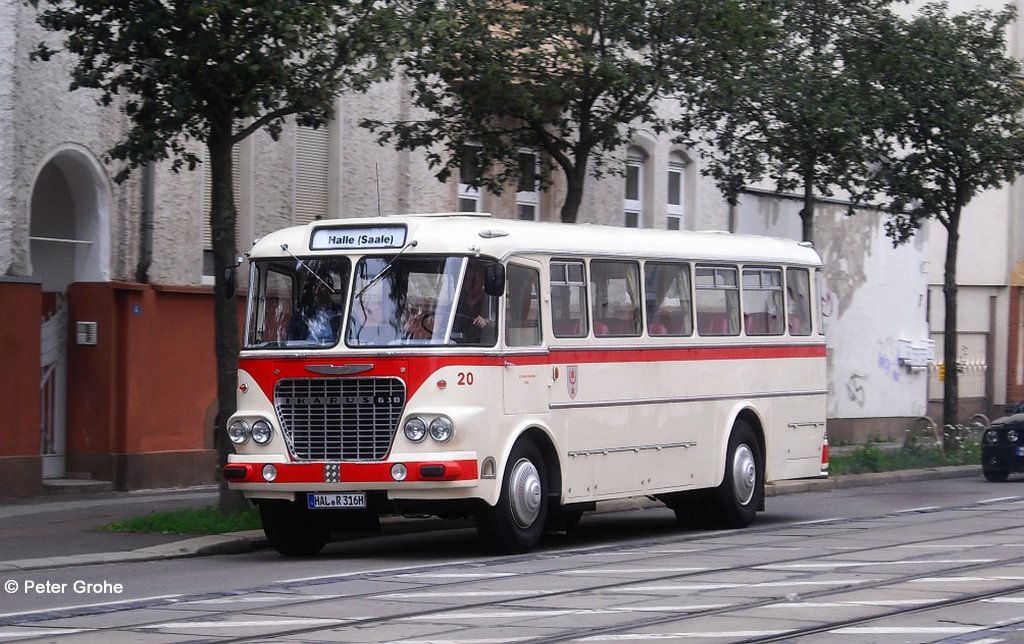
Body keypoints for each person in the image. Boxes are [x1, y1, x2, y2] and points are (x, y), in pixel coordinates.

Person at [288, 273, 342, 344]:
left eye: (321, 287)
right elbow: (291, 338)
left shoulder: (339, 312)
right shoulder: (303, 312)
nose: (317, 290)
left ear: (329, 290)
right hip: (307, 350)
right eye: (315, 286)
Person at [451, 261, 495, 345]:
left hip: (484, 348)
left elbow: (499, 325)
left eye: (474, 279)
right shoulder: (455, 303)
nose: (470, 284)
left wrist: (487, 323)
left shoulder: (492, 302)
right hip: (458, 348)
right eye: (467, 280)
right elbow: (442, 329)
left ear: (482, 280)